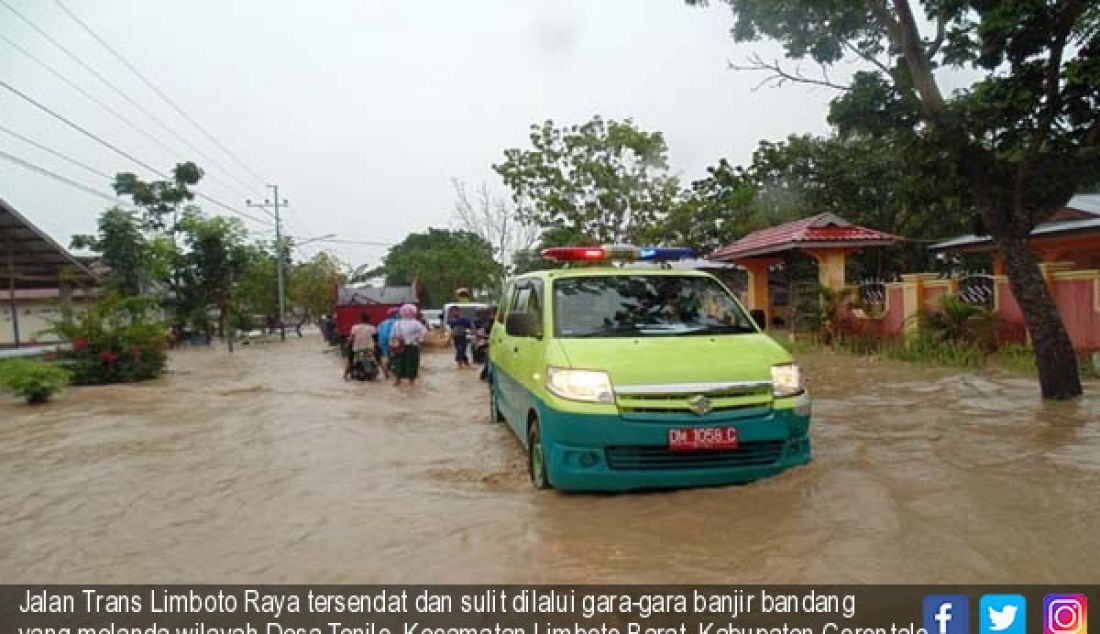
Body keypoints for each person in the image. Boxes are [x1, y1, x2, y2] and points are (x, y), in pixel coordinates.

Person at [391, 303, 427, 386]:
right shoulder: (416, 323)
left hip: (399, 346)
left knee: (399, 363)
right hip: (412, 346)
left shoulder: (397, 323)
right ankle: (411, 381)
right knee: (412, 363)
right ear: (414, 312)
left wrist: (392, 346)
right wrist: (419, 340)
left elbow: (392, 336)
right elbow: (424, 332)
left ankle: (398, 380)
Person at [344, 312, 377, 380]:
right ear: (369, 319)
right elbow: (375, 339)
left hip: (357, 349)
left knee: (350, 360)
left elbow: (351, 339)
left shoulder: (354, 327)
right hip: (370, 349)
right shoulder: (372, 328)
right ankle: (386, 374)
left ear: (360, 319)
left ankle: (345, 375)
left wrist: (347, 344)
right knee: (379, 359)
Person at [376, 307, 399, 380]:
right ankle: (389, 367)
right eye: (398, 313)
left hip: (382, 342)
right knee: (395, 354)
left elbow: (378, 331)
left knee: (387, 355)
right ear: (395, 314)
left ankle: (388, 368)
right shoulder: (398, 321)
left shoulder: (383, 322)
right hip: (393, 340)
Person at [478, 306, 497, 382]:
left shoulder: (493, 322)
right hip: (491, 344)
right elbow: (484, 333)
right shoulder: (490, 322)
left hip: (494, 344)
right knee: (488, 362)